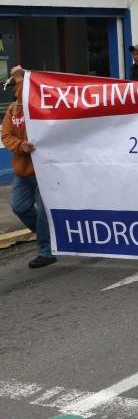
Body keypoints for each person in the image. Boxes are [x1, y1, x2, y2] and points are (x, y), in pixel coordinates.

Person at [2, 65, 54, 268]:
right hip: (22, 172)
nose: (15, 88)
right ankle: (50, 236)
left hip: (43, 171)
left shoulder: (38, 105)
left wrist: (21, 78)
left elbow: (27, 98)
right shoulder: (12, 109)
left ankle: (46, 250)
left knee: (43, 211)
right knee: (19, 206)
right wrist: (19, 145)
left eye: (18, 85)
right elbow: (5, 136)